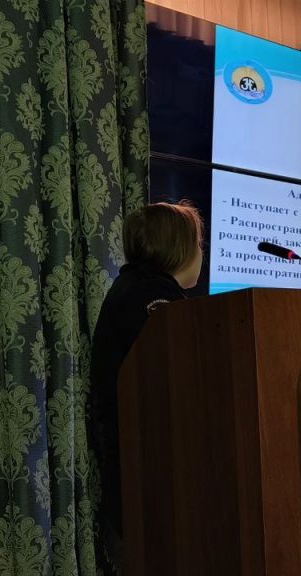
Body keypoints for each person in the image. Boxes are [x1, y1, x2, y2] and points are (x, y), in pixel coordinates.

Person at [88, 201, 204, 573]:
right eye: (198, 243)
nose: (201, 253)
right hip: (150, 490)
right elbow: (180, 387)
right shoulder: (151, 297)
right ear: (180, 248)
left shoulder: (135, 288)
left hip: (138, 487)